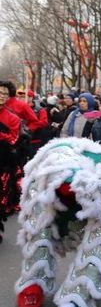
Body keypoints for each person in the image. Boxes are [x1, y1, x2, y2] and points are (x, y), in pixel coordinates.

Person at [0, 83, 21, 243]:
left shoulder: (12, 118)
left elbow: (13, 139)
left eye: (5, 94)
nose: (2, 96)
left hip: (3, 163)